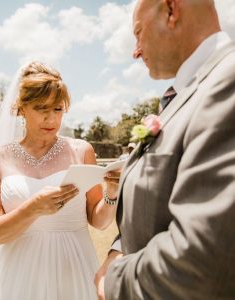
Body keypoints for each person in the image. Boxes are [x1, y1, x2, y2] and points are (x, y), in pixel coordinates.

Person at [95, 0, 235, 299]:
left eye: (138, 33)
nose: (135, 51)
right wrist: (119, 249)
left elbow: (204, 259)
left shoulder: (228, 81)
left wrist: (113, 280)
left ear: (171, 10)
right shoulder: (185, 94)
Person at [0, 62, 120, 300]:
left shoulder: (81, 150)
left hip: (74, 266)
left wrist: (112, 193)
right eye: (40, 108)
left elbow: (99, 220)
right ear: (21, 108)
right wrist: (33, 208)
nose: (50, 118)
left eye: (57, 109)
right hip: (21, 272)